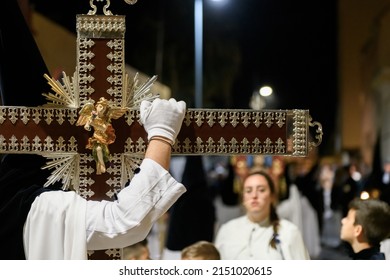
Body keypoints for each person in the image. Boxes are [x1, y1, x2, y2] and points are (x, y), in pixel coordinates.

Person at [214, 169, 310, 260]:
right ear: (243, 198)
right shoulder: (227, 230)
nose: (254, 195)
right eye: (248, 191)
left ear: (272, 197)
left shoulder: (289, 232)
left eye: (261, 190)